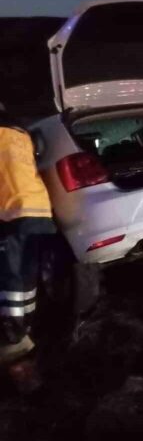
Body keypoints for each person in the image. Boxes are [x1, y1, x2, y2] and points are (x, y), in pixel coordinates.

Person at [0, 102, 54, 393]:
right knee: (23, 281)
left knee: (14, 281)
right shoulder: (19, 131)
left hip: (13, 212)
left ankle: (14, 337)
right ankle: (18, 338)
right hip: (38, 210)